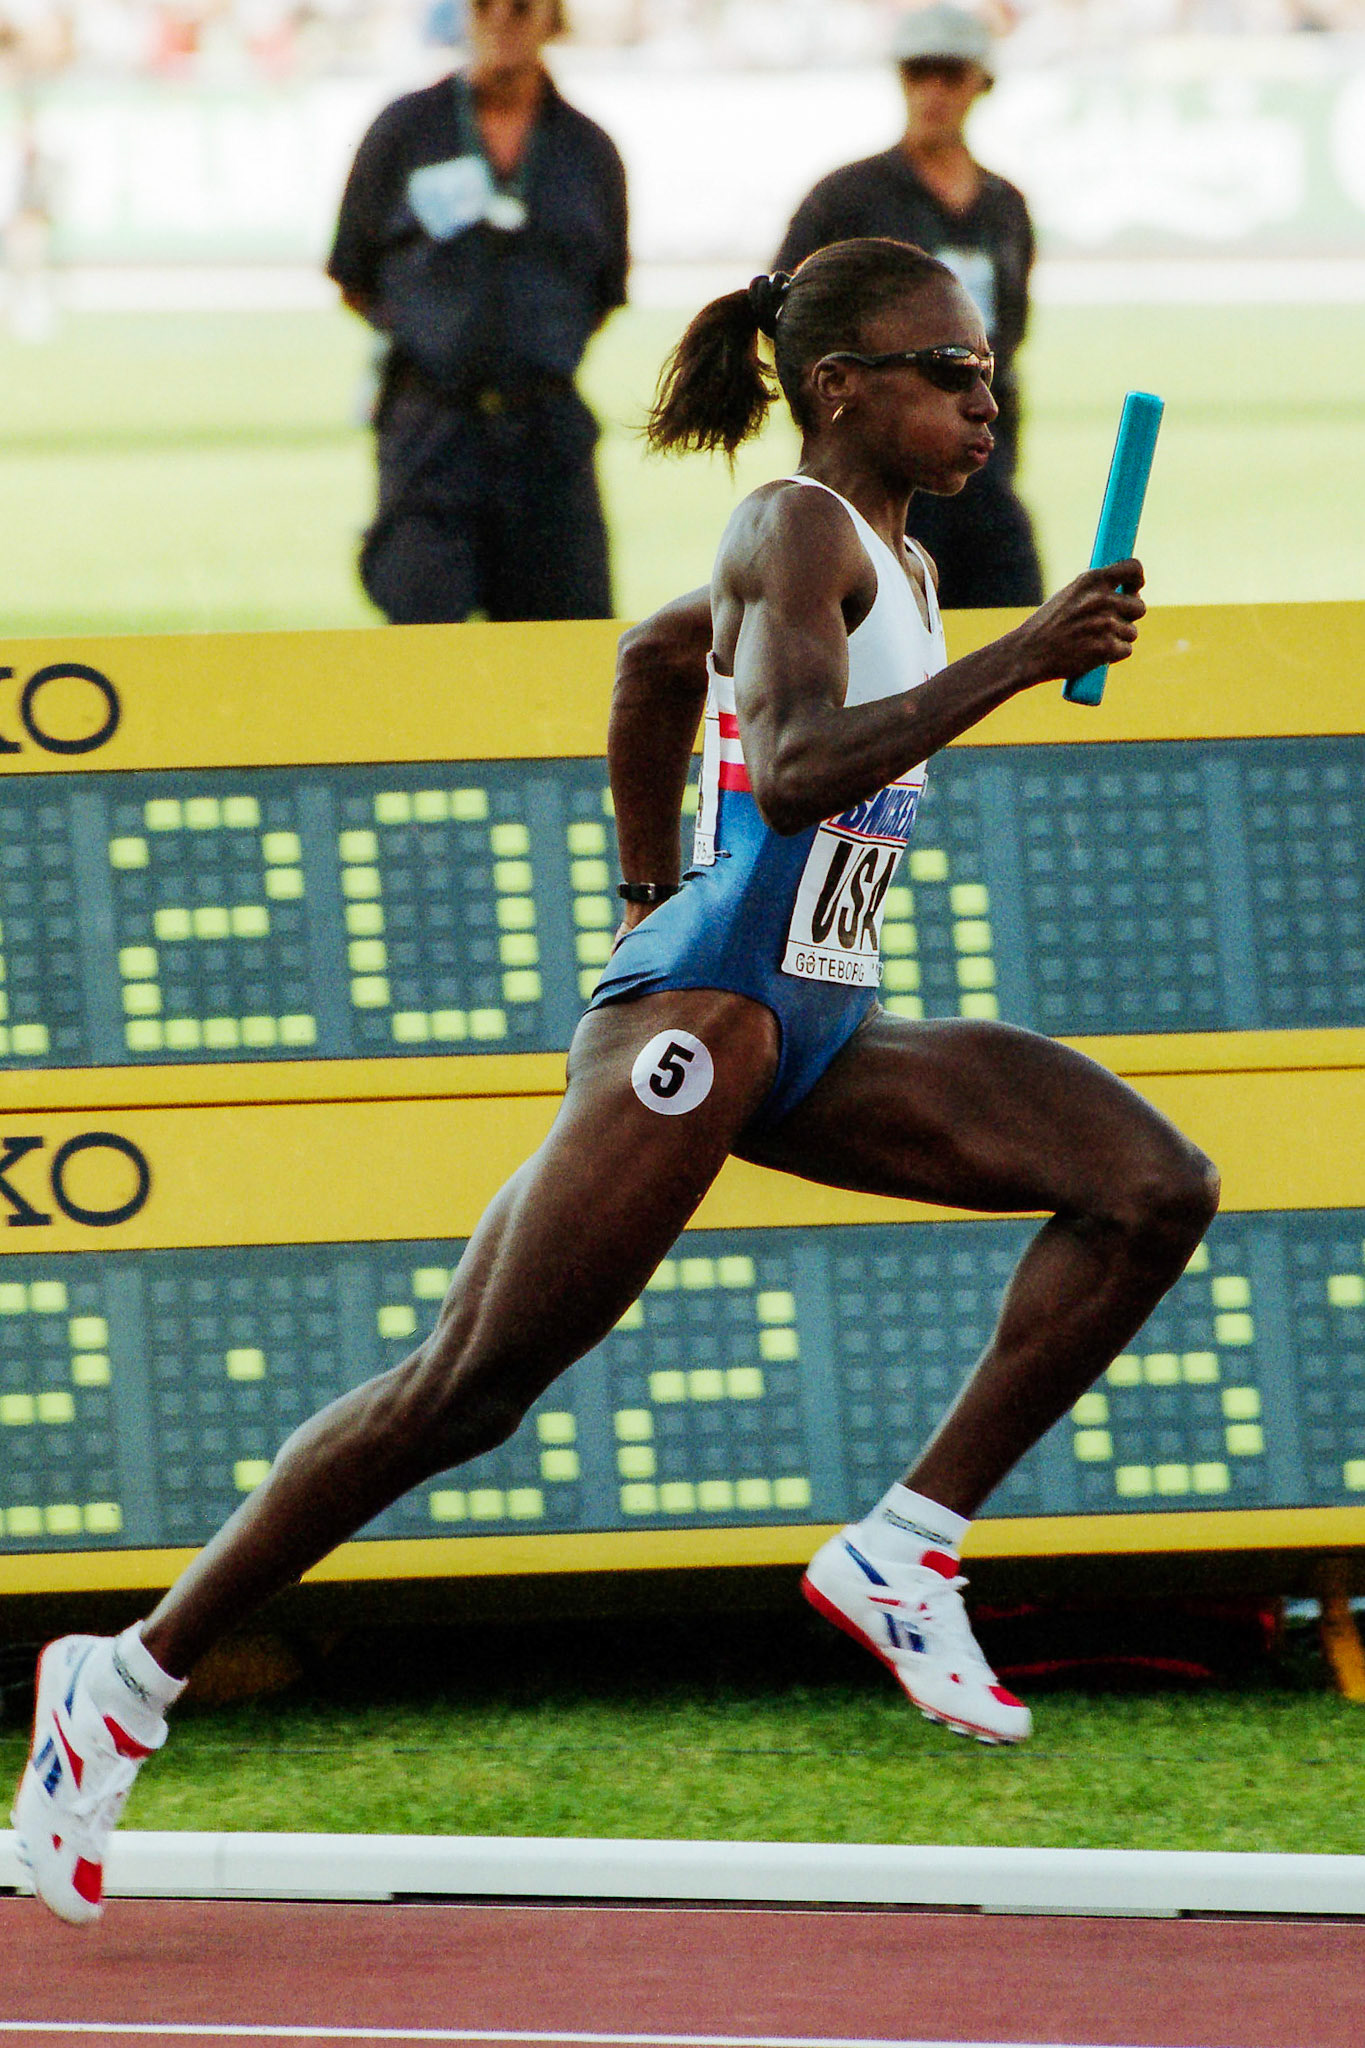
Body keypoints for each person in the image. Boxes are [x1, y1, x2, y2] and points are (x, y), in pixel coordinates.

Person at [12, 236, 1220, 1927]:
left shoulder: (899, 557)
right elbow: (795, 771)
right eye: (946, 367)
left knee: (1153, 1183)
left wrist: (645, 866)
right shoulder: (791, 526)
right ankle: (127, 1674)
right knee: (466, 1388)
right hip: (702, 1025)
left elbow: (656, 669)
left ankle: (907, 1540)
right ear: (842, 387)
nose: (981, 391)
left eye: (987, 366)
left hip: (810, 1024)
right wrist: (1015, 665)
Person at [327, 0, 627, 624]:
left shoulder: (587, 151)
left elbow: (603, 290)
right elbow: (352, 273)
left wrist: (530, 345)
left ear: (552, 18)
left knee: (564, 651)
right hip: (433, 431)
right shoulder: (406, 131)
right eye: (485, 5)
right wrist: (435, 335)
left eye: (520, 6)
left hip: (545, 433)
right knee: (422, 648)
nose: (502, 21)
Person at [773, 4, 1042, 609]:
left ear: (981, 82)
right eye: (918, 74)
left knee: (1015, 629)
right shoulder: (846, 199)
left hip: (983, 465)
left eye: (950, 74)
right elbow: (785, 317)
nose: (933, 92)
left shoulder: (1006, 206)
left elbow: (1013, 330)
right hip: (882, 478)